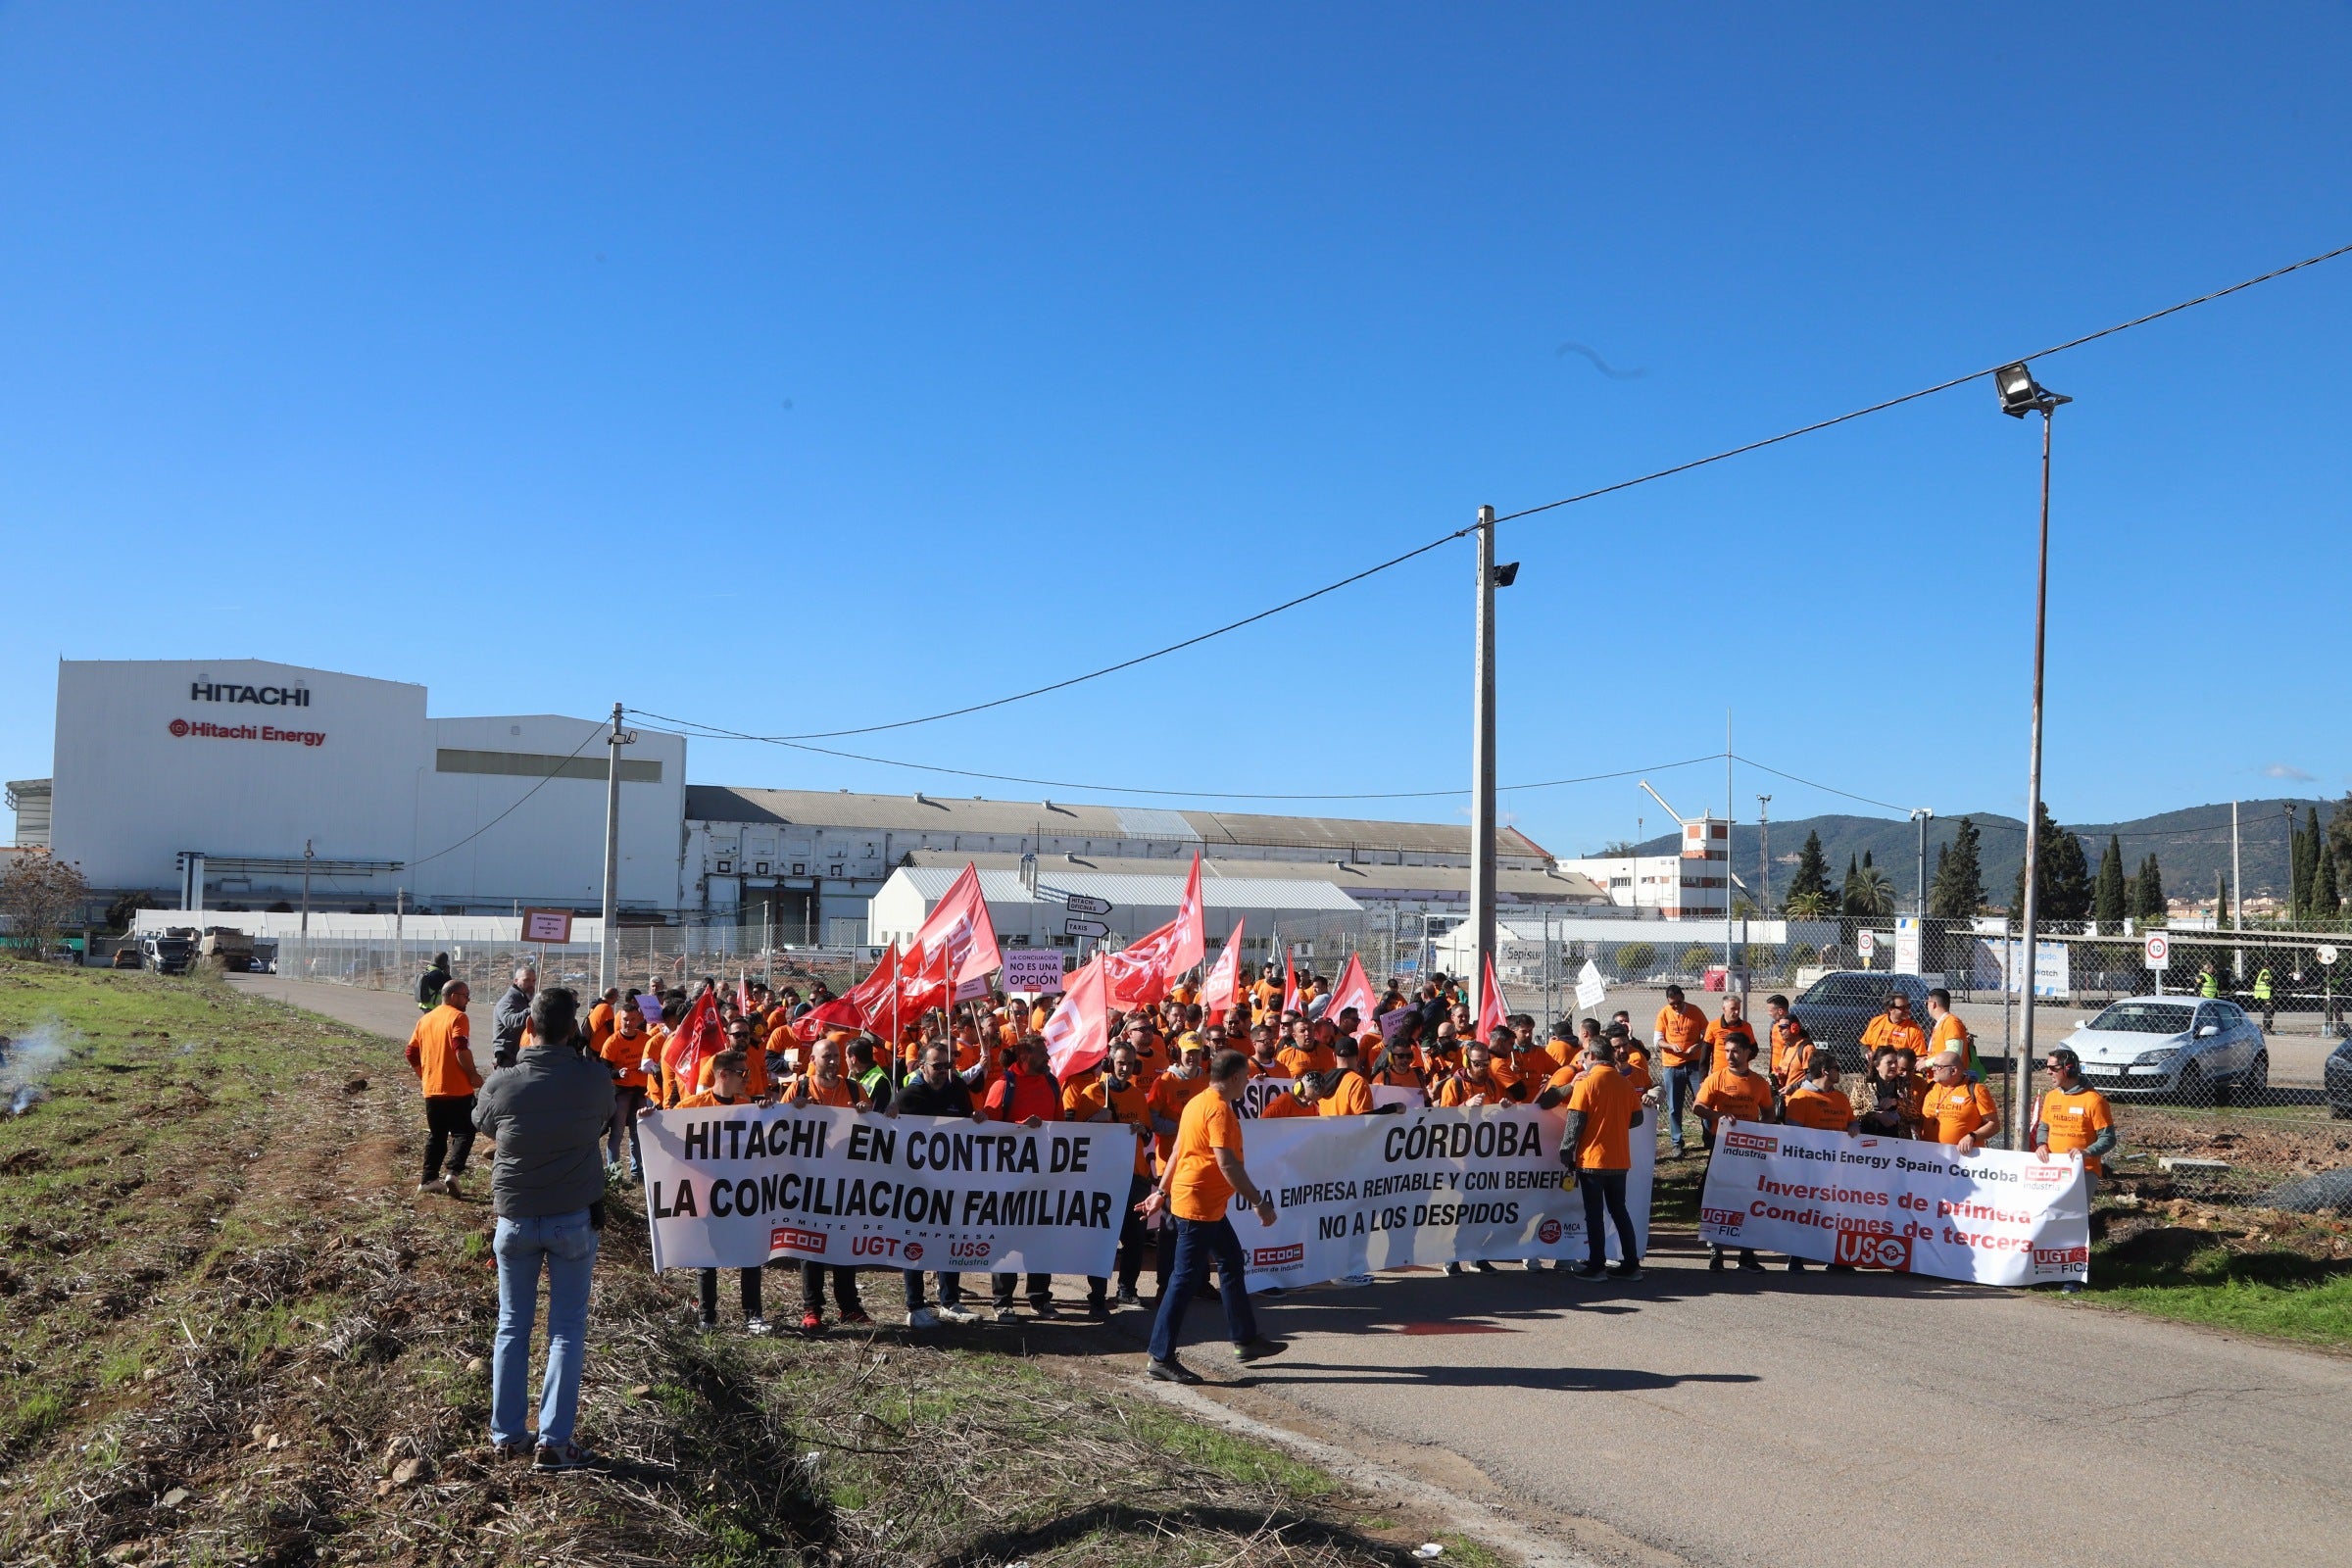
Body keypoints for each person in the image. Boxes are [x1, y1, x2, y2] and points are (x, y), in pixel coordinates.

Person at [472, 986, 613, 1470]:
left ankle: (508, 1435)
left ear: (527, 1027)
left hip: (514, 1217)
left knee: (512, 1325)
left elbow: (483, 1123)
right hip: (573, 1218)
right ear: (575, 1029)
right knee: (566, 1331)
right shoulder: (596, 1078)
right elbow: (602, 1121)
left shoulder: (505, 1081)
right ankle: (554, 1443)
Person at [1142, 1051, 1287, 1384]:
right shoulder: (1218, 1110)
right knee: (1184, 1280)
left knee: (1232, 1261)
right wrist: (1259, 1202)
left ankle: (1245, 1340)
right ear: (1235, 1077)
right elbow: (1228, 1164)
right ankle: (1160, 1356)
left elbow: (1178, 1150)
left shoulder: (1197, 1101)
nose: (1248, 1082)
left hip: (1203, 1204)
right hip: (1199, 1207)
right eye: (1246, 1077)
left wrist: (1160, 1193)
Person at [885, 1040, 985, 1327]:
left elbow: (969, 1127)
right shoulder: (908, 1096)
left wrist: (978, 1119)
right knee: (913, 1242)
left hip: (950, 1184)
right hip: (915, 1184)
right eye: (937, 1065)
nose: (943, 1071)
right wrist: (888, 1117)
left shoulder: (958, 1090)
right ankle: (915, 1306)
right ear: (921, 1066)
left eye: (948, 1065)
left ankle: (950, 1301)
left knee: (951, 1238)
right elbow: (886, 1134)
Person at [780, 1038, 874, 1331]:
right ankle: (812, 1308)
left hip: (846, 1180)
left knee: (844, 1243)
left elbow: (876, 1132)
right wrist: (794, 1111)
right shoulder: (801, 1088)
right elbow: (779, 1129)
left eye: (836, 1056)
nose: (833, 1062)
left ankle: (849, 1306)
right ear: (813, 1059)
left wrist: (869, 1115)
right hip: (810, 1181)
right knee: (811, 1246)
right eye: (826, 1057)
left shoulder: (856, 1089)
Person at [673, 1052, 769, 1335]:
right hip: (706, 1193)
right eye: (742, 1073)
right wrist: (648, 1118)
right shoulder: (692, 1107)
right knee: (707, 1256)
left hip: (742, 1193)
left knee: (750, 1253)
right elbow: (667, 1134)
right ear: (723, 1074)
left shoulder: (748, 1107)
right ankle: (708, 1317)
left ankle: (753, 1315)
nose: (748, 1079)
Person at [1070, 1040, 1157, 1313]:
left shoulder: (1136, 1096)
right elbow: (1073, 1134)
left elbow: (1148, 1135)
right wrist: (1096, 1119)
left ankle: (1126, 1291)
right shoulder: (1090, 1093)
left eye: (1130, 1064)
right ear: (1109, 1063)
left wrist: (1142, 1129)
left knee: (1134, 1239)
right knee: (1101, 1238)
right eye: (1120, 1062)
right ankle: (1097, 1294)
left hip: (1135, 1176)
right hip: (1102, 1178)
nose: (1124, 1068)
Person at [984, 1036, 1063, 1320]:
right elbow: (989, 1129)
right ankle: (1002, 1301)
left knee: (1042, 1237)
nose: (1048, 1058)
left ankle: (1039, 1298)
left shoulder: (1052, 1084)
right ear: (1024, 1055)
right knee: (1005, 1238)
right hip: (1007, 1180)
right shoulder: (1003, 1086)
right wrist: (1020, 1127)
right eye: (1043, 1053)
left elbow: (1061, 1129)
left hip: (1042, 1179)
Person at [1561, 1037, 1645, 1281]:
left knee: (1594, 1214)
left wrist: (1566, 1151)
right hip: (1619, 1158)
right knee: (1620, 1211)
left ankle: (1596, 1265)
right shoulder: (1624, 1083)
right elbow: (1637, 1119)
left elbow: (1575, 1122)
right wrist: (1615, 1124)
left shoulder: (1587, 1083)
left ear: (1592, 1057)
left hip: (1593, 1159)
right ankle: (1631, 1264)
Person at [2034, 1048, 2118, 1291]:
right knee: (2049, 1219)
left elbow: (2108, 1138)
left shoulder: (2094, 1101)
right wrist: (2041, 1144)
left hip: (2084, 1171)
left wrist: (2087, 1151)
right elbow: (2043, 1127)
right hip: (2052, 1171)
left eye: (2053, 1068)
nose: (2048, 1072)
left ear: (2068, 1069)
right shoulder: (2052, 1097)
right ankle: (2046, 1271)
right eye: (2048, 1067)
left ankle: (2073, 1277)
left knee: (2074, 1222)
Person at [1694, 1038, 1773, 1271]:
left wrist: (1758, 1128)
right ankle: (1716, 1250)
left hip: (1748, 1151)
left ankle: (1746, 1254)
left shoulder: (1759, 1083)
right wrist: (1718, 1117)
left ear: (1747, 1053)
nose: (1730, 1056)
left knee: (1748, 1198)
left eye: (1735, 1051)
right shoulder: (1716, 1078)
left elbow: (1768, 1112)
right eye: (1726, 1051)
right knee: (1715, 1196)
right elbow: (1697, 1107)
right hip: (1722, 1148)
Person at [407, 979, 482, 1196]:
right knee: (466, 1131)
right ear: (453, 996)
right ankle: (453, 1172)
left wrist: (425, 1075)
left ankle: (428, 1179)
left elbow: (411, 1053)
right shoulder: (458, 1017)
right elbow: (460, 1048)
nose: (468, 1000)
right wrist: (473, 1075)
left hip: (432, 1089)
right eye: (466, 996)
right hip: (458, 1088)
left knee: (437, 1135)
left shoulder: (426, 1019)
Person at [600, 996, 653, 1180]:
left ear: (638, 1019)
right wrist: (616, 1074)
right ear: (619, 1019)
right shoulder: (612, 1042)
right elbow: (603, 1069)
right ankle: (615, 1175)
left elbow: (656, 1063)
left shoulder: (646, 1039)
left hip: (640, 1092)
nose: (628, 1023)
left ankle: (637, 1173)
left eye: (632, 1020)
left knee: (637, 1134)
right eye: (625, 1020)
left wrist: (649, 1068)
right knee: (617, 1134)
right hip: (621, 1092)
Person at [1655, 985, 1711, 1157]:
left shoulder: (1695, 1012)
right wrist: (1670, 1046)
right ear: (1668, 1002)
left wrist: (1697, 1045)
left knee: (1702, 1102)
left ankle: (1709, 1139)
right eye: (1673, 1004)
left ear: (1683, 998)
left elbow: (1707, 1036)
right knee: (1674, 1106)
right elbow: (1658, 1040)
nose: (1676, 1007)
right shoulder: (1664, 1013)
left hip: (1694, 1065)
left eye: (1679, 1003)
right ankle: (1676, 1143)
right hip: (1672, 1066)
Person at [1919, 1048, 1999, 1153]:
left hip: (1962, 1159)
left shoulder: (1976, 1090)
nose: (1932, 1069)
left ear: (1953, 1070)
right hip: (1928, 1159)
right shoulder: (1930, 1087)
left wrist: (1972, 1136)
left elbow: (1993, 1124)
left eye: (1938, 1067)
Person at [1923, 989, 1979, 1079]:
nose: (1926, 1006)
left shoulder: (1951, 1023)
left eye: (1926, 1003)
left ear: (1933, 1004)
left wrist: (1926, 1063)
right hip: (1940, 1079)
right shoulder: (1943, 1022)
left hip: (1950, 1081)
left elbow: (1954, 1053)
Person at [491, 965, 537, 1070]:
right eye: (527, 980)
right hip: (507, 1060)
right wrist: (533, 1009)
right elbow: (511, 1021)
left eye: (534, 980)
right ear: (516, 981)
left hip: (518, 1057)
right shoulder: (508, 1001)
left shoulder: (522, 1000)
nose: (531, 984)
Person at [1859, 993, 1927, 1061]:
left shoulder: (1914, 1030)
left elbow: (1919, 1057)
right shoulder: (1876, 1022)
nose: (1907, 1010)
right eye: (1902, 1008)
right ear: (1890, 1009)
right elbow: (1864, 1044)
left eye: (1908, 1006)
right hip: (1877, 1067)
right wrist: (1868, 1053)